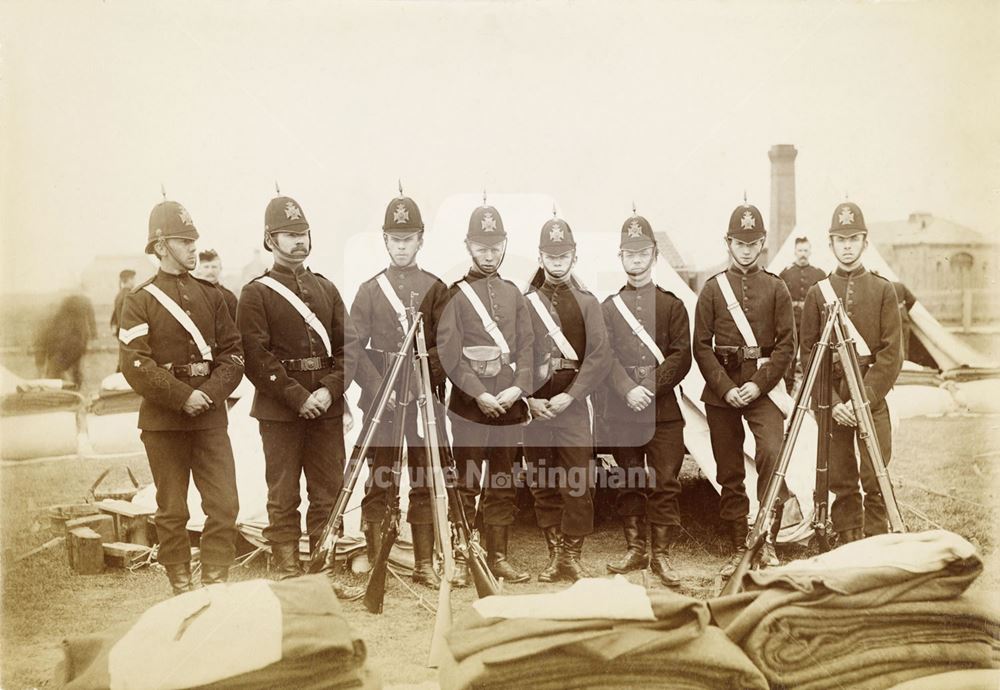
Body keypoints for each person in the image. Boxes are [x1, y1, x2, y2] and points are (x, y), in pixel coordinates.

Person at [236, 192, 361, 598]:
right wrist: (297, 397)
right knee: (283, 490)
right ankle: (287, 568)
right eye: (288, 235)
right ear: (270, 240)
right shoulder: (256, 293)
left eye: (303, 233)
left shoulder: (326, 289)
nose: (298, 242)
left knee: (328, 488)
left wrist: (327, 391)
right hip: (280, 409)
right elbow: (256, 356)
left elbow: (349, 349)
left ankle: (322, 564)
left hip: (326, 406)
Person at [118, 198, 243, 594]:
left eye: (194, 240)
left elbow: (235, 355)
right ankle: (180, 582)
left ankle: (215, 577)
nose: (193, 248)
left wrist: (206, 394)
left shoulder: (213, 296)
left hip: (210, 417)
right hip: (164, 420)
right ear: (159, 247)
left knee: (224, 504)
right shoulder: (139, 300)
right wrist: (182, 397)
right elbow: (135, 364)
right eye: (183, 241)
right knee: (172, 508)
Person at [350, 189, 448, 588]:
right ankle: (377, 564)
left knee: (425, 477)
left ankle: (424, 563)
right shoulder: (370, 290)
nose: (402, 246)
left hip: (424, 395)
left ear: (421, 240)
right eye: (395, 238)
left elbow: (448, 345)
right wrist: (379, 389)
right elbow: (353, 347)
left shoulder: (436, 287)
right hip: (383, 398)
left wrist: (429, 382)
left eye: (408, 239)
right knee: (381, 477)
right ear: (385, 241)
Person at [435, 199, 534, 585]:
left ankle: (498, 555)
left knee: (503, 482)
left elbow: (529, 350)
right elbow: (448, 351)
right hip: (469, 406)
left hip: (509, 404)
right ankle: (463, 556)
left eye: (495, 247)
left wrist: (516, 389)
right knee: (466, 482)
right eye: (481, 247)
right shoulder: (454, 294)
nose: (488, 255)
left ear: (505, 245)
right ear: (468, 247)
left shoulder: (514, 294)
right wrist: (478, 393)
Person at [693, 201, 795, 574]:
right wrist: (724, 388)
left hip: (762, 387)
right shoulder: (712, 290)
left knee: (771, 452)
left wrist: (757, 385)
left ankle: (765, 536)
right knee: (729, 467)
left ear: (763, 242)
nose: (746, 249)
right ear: (728, 243)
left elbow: (787, 345)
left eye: (752, 242)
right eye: (739, 242)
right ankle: (739, 538)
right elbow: (700, 346)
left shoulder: (777, 288)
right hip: (723, 389)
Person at [799, 201, 902, 543]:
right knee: (841, 479)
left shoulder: (884, 289)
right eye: (840, 239)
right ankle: (848, 541)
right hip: (833, 400)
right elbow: (810, 357)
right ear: (830, 244)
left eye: (853, 238)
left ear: (865, 242)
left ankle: (877, 541)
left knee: (875, 476)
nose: (847, 245)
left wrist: (863, 400)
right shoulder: (818, 293)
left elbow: (891, 355)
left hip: (871, 396)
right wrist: (834, 401)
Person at [601, 211, 691, 587]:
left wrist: (649, 388)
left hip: (663, 412)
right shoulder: (608, 308)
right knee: (628, 480)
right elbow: (603, 356)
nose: (635, 260)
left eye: (642, 253)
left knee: (665, 481)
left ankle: (661, 556)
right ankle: (635, 549)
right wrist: (627, 390)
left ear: (654, 255)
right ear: (620, 257)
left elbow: (681, 355)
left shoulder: (672, 305)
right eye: (629, 253)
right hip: (623, 411)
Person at [522, 213, 610, 582]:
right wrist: (528, 399)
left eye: (563, 255)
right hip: (537, 407)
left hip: (572, 406)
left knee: (578, 481)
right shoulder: (525, 303)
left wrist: (572, 396)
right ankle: (555, 554)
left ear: (574, 256)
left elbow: (600, 356)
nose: (557, 261)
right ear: (540, 257)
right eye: (550, 255)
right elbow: (516, 355)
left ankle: (572, 555)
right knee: (542, 482)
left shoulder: (588, 303)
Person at [779, 237, 826, 391]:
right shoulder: (785, 274)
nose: (803, 254)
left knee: (812, 358)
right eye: (800, 250)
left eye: (806, 250)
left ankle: (813, 391)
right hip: (791, 322)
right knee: (788, 358)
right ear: (794, 252)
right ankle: (787, 391)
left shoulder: (819, 274)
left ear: (810, 251)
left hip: (811, 323)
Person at [35, 294, 97, 388]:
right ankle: (74, 385)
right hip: (74, 343)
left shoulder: (55, 321)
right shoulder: (68, 317)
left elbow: (43, 346)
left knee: (57, 371)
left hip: (66, 345)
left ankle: (70, 387)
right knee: (72, 369)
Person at [195, 249, 238, 319]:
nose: (210, 271)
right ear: (199, 269)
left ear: (220, 269)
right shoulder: (192, 294)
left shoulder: (229, 297)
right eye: (206, 267)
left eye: (214, 267)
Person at [110, 269, 136, 335]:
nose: (134, 281)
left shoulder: (118, 295)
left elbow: (115, 314)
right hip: (128, 332)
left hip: (120, 330)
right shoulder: (131, 295)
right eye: (133, 279)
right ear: (129, 280)